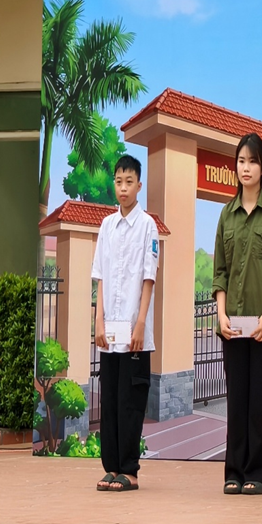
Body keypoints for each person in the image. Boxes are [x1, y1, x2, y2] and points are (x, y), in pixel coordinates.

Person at [212, 134, 262, 496]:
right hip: (233, 326)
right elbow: (220, 272)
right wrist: (221, 314)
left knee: (261, 402)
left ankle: (259, 474)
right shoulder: (226, 215)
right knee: (237, 401)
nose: (246, 168)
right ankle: (234, 470)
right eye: (241, 161)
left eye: (253, 161)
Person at [92, 155, 159, 493]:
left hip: (134, 333)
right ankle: (112, 468)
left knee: (130, 402)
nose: (123, 188)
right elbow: (101, 277)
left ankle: (129, 471)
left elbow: (149, 278)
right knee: (110, 402)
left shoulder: (147, 226)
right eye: (118, 181)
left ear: (139, 185)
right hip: (110, 333)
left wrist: (140, 323)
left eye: (129, 182)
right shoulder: (106, 226)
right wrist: (98, 321)